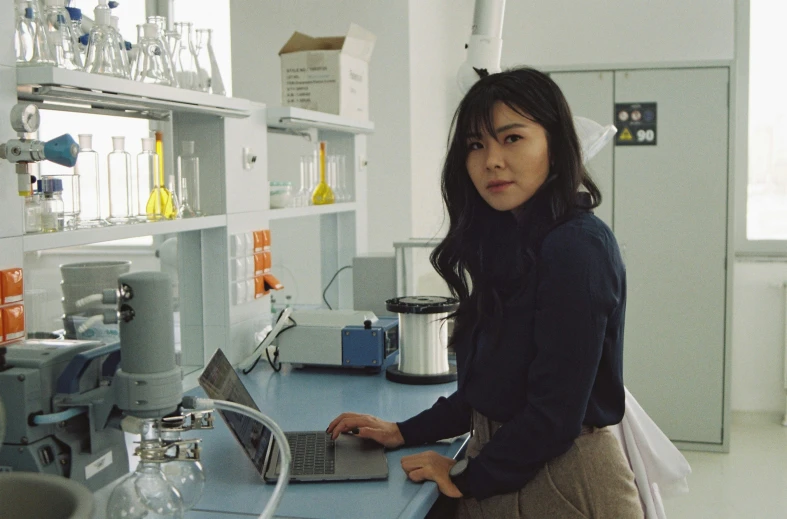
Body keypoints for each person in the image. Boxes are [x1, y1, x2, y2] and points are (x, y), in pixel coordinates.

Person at [327, 67, 643, 518]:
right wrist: (401, 431)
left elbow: (553, 416)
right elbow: (491, 391)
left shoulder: (577, 248)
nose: (491, 160)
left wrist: (463, 476)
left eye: (511, 139)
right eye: (476, 145)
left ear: (556, 145)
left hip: (563, 484)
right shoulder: (515, 243)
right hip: (512, 467)